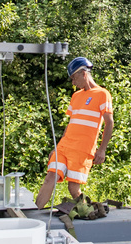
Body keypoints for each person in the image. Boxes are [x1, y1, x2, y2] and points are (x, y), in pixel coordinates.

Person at [34, 57, 114, 209]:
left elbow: (109, 123)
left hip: (82, 150)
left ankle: (87, 212)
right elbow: (71, 124)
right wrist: (58, 146)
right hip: (65, 146)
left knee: (73, 189)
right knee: (50, 177)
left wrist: (102, 149)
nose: (73, 82)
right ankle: (34, 214)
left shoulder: (103, 94)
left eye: (74, 78)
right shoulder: (76, 96)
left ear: (84, 74)